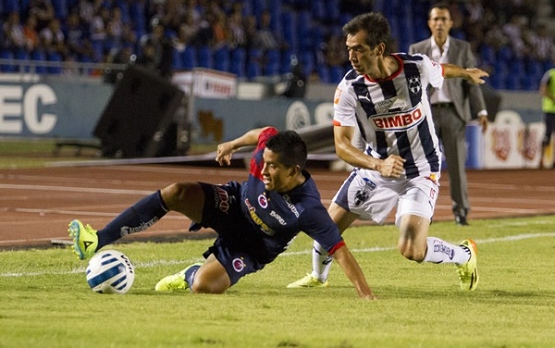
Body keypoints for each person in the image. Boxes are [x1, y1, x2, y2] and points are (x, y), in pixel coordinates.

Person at [287, 12, 485, 292]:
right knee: (326, 227)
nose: (352, 57)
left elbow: (443, 69)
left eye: (359, 50)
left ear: (379, 49)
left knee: (411, 250)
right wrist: (376, 165)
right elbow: (342, 145)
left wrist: (466, 74)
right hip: (376, 168)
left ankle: (464, 255)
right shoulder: (349, 89)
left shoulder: (415, 67)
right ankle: (318, 277)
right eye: (349, 49)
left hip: (420, 171)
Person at [68, 127, 376, 299]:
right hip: (234, 204)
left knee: (204, 287)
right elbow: (262, 134)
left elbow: (340, 252)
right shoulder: (267, 152)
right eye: (264, 162)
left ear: (294, 170)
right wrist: (232, 144)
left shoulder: (308, 210)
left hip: (253, 247)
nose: (263, 170)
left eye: (272, 167)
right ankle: (97, 239)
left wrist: (366, 295)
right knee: (177, 191)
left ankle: (188, 274)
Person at [409, 3, 489, 225]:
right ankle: (423, 212)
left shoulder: (462, 49)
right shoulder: (417, 48)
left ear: (451, 23)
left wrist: (481, 110)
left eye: (444, 19)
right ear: (429, 23)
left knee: (456, 166)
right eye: (436, 19)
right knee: (423, 166)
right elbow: (409, 85)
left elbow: (472, 83)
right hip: (426, 116)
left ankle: (460, 211)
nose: (440, 24)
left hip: (454, 113)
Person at [539, 68, 555, 168]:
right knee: (547, 135)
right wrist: (553, 98)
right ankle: (541, 159)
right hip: (549, 110)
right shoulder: (550, 74)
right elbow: (543, 90)